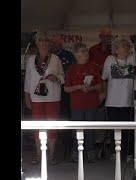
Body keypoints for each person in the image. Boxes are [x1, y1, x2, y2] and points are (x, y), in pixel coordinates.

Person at [24, 32, 65, 165]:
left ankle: (51, 155)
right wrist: (26, 96)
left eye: (46, 41)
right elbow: (28, 79)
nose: (44, 43)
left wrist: (57, 78)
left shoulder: (55, 59)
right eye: (41, 41)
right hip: (35, 97)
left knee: (52, 126)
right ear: (37, 43)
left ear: (50, 43)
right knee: (38, 127)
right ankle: (38, 155)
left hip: (53, 96)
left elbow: (63, 77)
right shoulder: (31, 59)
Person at [100, 36, 136, 161]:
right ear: (116, 49)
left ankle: (129, 152)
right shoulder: (109, 60)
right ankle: (115, 151)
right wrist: (103, 93)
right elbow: (104, 78)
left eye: (127, 46)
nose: (125, 48)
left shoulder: (132, 59)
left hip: (128, 101)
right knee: (115, 128)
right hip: (112, 101)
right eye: (122, 46)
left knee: (128, 129)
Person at [64, 42, 102, 163]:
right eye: (83, 51)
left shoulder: (94, 66)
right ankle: (76, 152)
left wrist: (90, 88)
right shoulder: (71, 68)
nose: (86, 53)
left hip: (91, 102)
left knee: (90, 128)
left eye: (86, 50)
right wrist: (79, 87)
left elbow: (100, 85)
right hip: (77, 104)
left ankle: (90, 152)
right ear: (76, 54)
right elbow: (66, 88)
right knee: (77, 128)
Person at [49, 32, 76, 160]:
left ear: (61, 43)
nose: (54, 45)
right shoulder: (48, 56)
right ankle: (53, 148)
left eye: (56, 43)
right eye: (52, 43)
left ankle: (67, 146)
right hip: (50, 92)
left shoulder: (69, 55)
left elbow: (74, 72)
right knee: (53, 118)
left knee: (65, 117)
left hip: (65, 91)